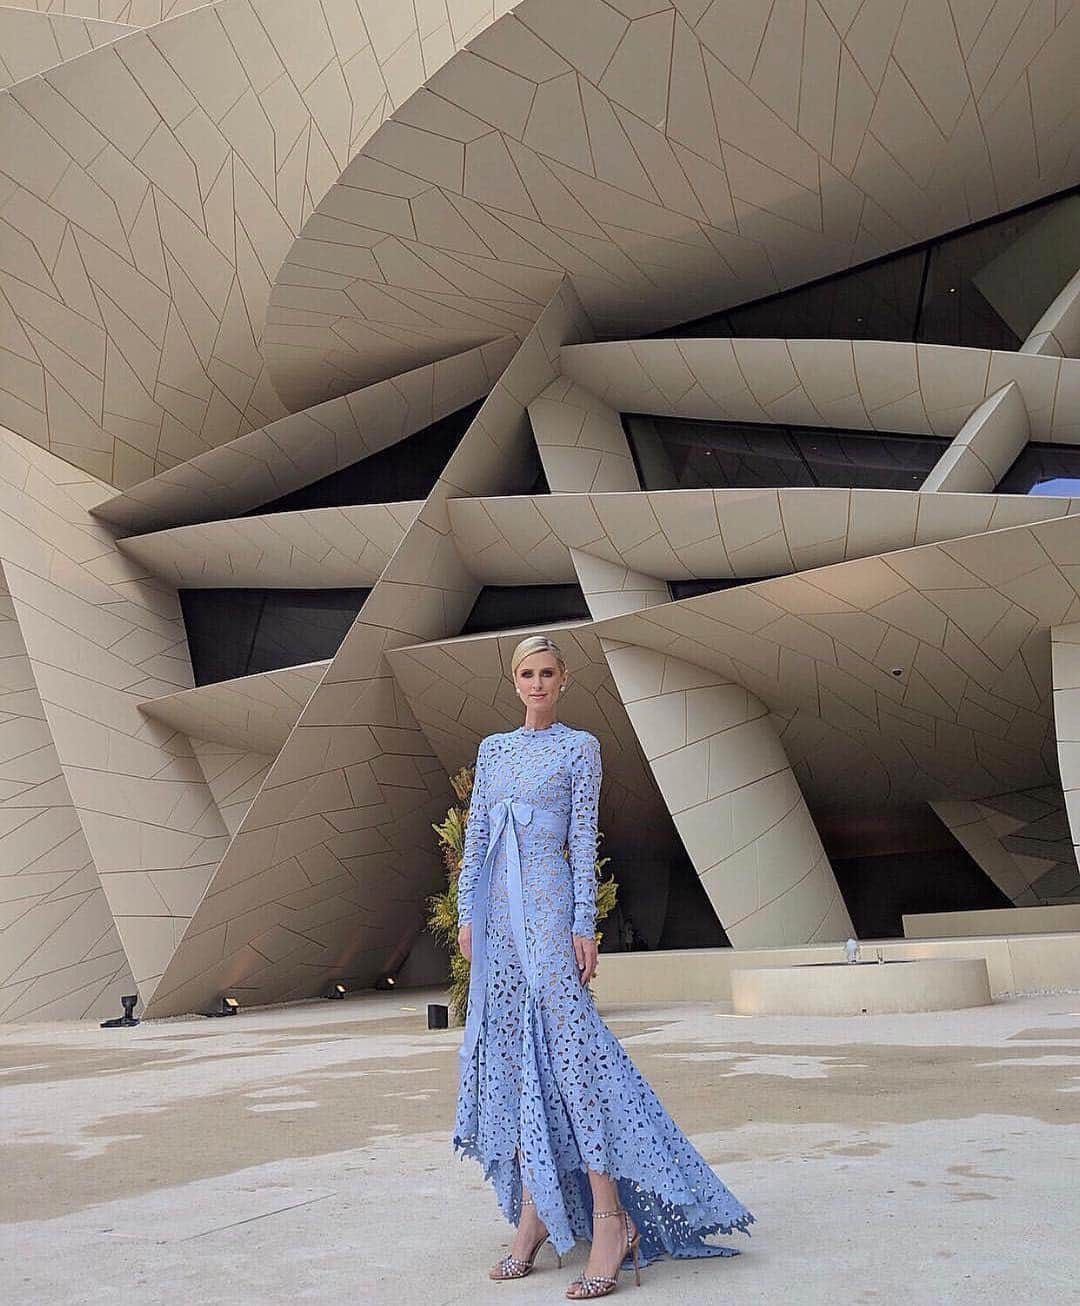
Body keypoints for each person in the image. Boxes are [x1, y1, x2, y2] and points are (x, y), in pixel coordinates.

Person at [454, 634, 753, 1299]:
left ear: (565, 680)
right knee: (510, 1057)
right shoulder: (492, 750)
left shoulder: (579, 747)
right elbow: (476, 834)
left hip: (550, 908)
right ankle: (534, 1216)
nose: (536, 683)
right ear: (514, 681)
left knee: (574, 1057)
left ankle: (612, 1219)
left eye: (547, 673)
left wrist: (583, 923)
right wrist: (466, 913)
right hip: (497, 919)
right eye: (526, 673)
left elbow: (584, 838)